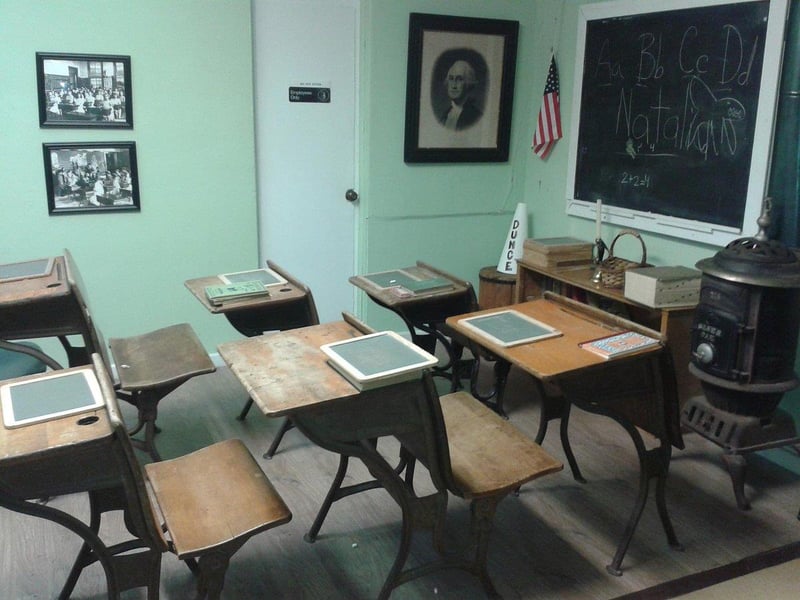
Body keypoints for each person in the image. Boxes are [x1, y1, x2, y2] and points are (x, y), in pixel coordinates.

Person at [438, 59, 482, 131]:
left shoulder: (476, 117)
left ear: (468, 84)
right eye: (451, 79)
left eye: (459, 79)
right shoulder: (445, 116)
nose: (454, 86)